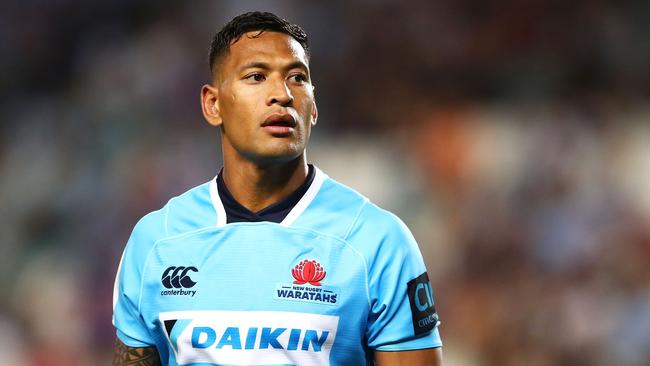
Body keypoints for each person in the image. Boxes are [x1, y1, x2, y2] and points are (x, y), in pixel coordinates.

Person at [112, 11, 442, 366]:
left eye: (297, 78)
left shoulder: (377, 241)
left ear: (313, 107)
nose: (282, 95)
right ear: (213, 104)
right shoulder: (156, 242)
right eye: (256, 76)